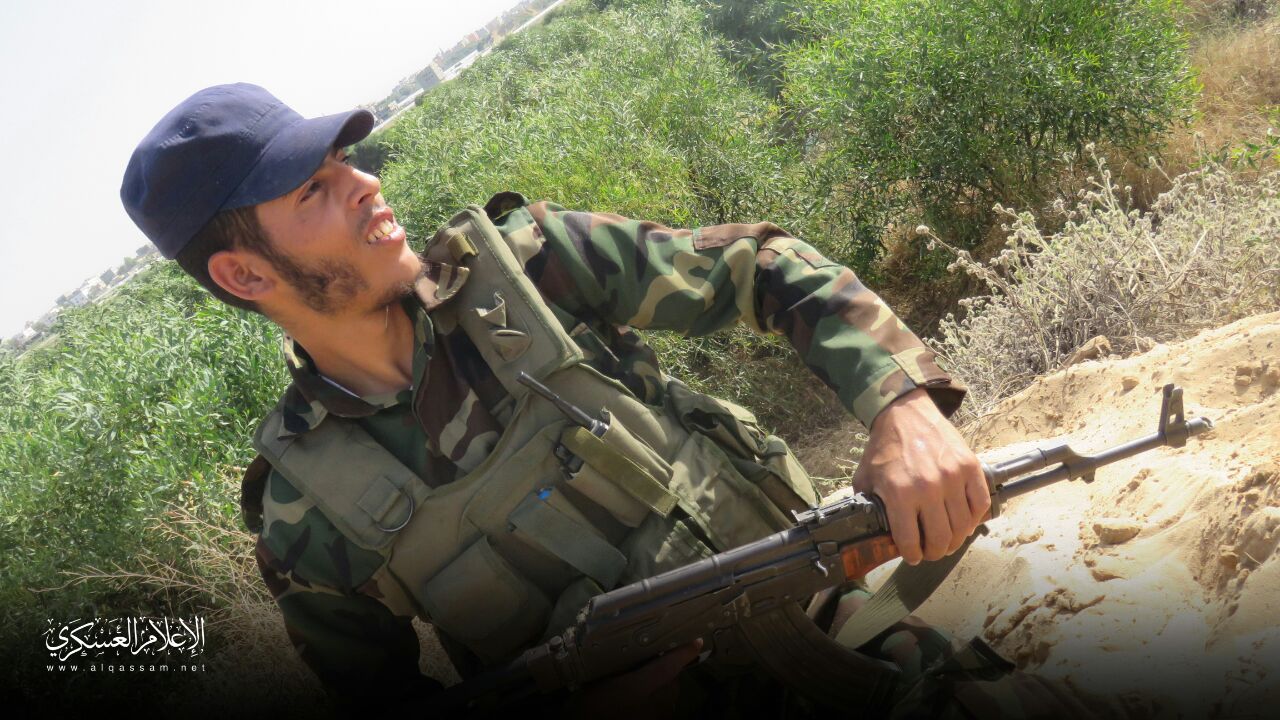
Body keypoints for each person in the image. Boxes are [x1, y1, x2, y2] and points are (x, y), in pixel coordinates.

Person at [121, 84, 1045, 718]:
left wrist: (902, 406)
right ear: (245, 274)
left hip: (833, 642)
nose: (366, 183)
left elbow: (761, 268)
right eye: (314, 189)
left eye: (346, 160)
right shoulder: (304, 516)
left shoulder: (528, 269)